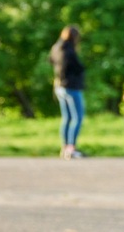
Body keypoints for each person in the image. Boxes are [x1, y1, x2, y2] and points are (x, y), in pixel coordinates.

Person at [49, 25, 86, 159]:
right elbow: (76, 67)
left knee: (67, 118)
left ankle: (64, 147)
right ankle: (71, 148)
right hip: (71, 86)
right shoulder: (69, 50)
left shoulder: (56, 47)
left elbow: (51, 61)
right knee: (77, 117)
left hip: (59, 86)